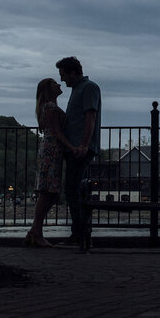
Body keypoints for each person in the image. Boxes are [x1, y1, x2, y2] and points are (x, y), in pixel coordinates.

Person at [24, 77, 76, 248]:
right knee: (48, 191)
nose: (59, 84)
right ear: (48, 89)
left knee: (49, 191)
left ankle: (35, 232)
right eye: (54, 83)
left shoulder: (47, 106)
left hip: (51, 150)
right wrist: (72, 146)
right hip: (52, 150)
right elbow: (57, 132)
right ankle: (36, 232)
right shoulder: (50, 107)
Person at [56, 56, 101, 251]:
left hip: (79, 148)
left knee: (72, 189)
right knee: (73, 189)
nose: (62, 79)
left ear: (73, 72)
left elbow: (91, 116)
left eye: (63, 75)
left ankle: (79, 233)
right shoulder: (79, 89)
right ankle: (80, 232)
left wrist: (84, 145)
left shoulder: (88, 87)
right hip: (75, 147)